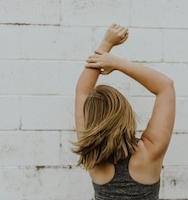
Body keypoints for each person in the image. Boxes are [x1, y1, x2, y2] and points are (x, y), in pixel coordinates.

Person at [73, 24, 175, 200]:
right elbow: (165, 87)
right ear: (124, 114)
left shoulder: (91, 153)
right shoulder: (150, 151)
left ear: (90, 120)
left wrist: (106, 43)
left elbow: (82, 91)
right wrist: (115, 62)